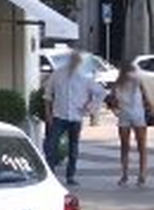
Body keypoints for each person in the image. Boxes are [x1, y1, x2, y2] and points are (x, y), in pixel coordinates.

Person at [43, 50, 105, 185]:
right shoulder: (58, 74)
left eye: (78, 60)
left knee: (73, 148)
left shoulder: (84, 77)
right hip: (59, 116)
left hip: (76, 117)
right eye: (74, 59)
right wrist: (48, 114)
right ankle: (51, 174)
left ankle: (70, 176)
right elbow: (48, 95)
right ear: (70, 60)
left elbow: (101, 92)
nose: (76, 62)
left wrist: (90, 108)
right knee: (51, 146)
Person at [109, 61, 152, 186]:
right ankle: (141, 175)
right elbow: (147, 98)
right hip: (137, 116)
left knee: (125, 147)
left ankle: (125, 176)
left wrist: (116, 111)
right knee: (141, 146)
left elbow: (112, 101)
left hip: (124, 116)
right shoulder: (138, 81)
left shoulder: (117, 84)